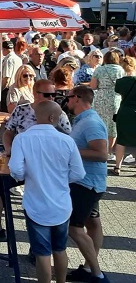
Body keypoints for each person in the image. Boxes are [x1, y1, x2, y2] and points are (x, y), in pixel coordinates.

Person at [0, 79, 72, 244]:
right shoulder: (22, 110)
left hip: (45, 168)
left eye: (53, 95)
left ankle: (39, 247)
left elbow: (69, 138)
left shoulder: (58, 113)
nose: (51, 98)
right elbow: (8, 132)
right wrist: (9, 150)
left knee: (40, 201)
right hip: (21, 163)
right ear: (35, 93)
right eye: (47, 94)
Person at [8, 101, 85, 283]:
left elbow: (16, 170)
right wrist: (60, 180)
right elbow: (79, 173)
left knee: (42, 252)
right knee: (60, 249)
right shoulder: (67, 141)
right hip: (62, 204)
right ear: (52, 118)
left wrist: (30, 175)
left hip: (36, 204)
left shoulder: (22, 139)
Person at [65, 86, 111, 283]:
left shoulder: (91, 122)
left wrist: (69, 150)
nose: (66, 101)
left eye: (68, 98)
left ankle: (97, 274)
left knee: (74, 228)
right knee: (93, 224)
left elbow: (102, 154)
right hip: (90, 182)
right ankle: (87, 268)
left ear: (76, 98)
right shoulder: (83, 120)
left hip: (86, 184)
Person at [90, 51, 124, 159]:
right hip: (115, 98)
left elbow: (93, 86)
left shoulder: (99, 69)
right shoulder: (121, 70)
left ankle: (101, 149)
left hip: (101, 98)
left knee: (100, 124)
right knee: (112, 126)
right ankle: (110, 152)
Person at [113, 56, 136, 175]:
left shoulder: (120, 82)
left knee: (121, 140)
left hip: (124, 111)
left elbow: (118, 91)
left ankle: (117, 167)